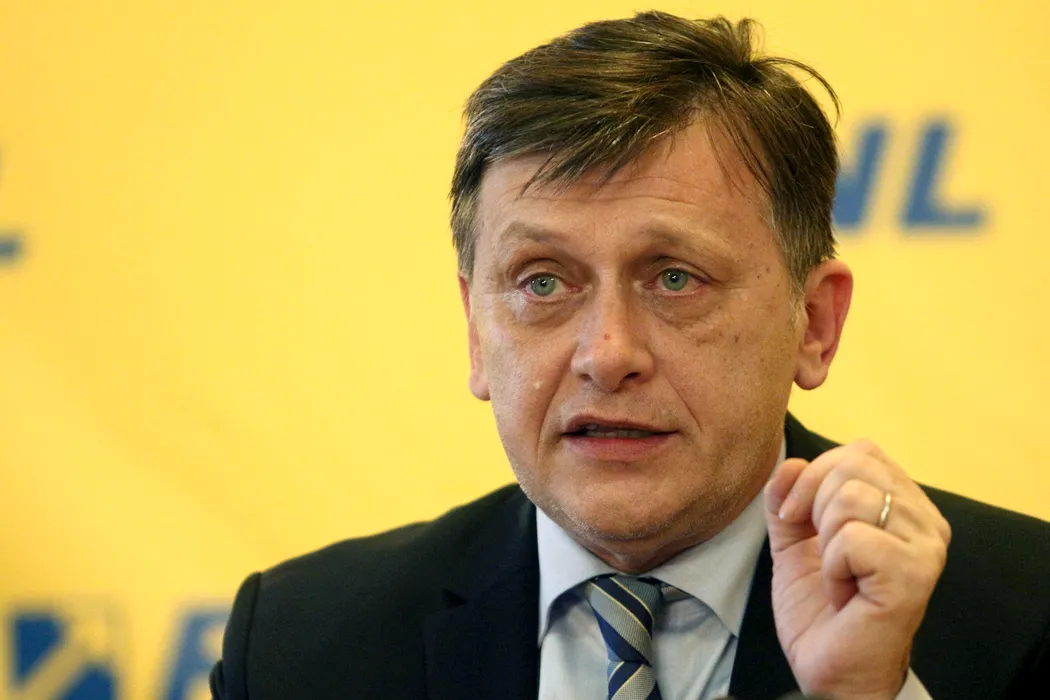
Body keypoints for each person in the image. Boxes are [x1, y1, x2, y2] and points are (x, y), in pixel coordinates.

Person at [209, 11, 1050, 700]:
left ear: (815, 324)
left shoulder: (1025, 618)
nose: (607, 355)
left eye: (675, 278)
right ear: (475, 330)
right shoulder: (298, 645)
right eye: (542, 283)